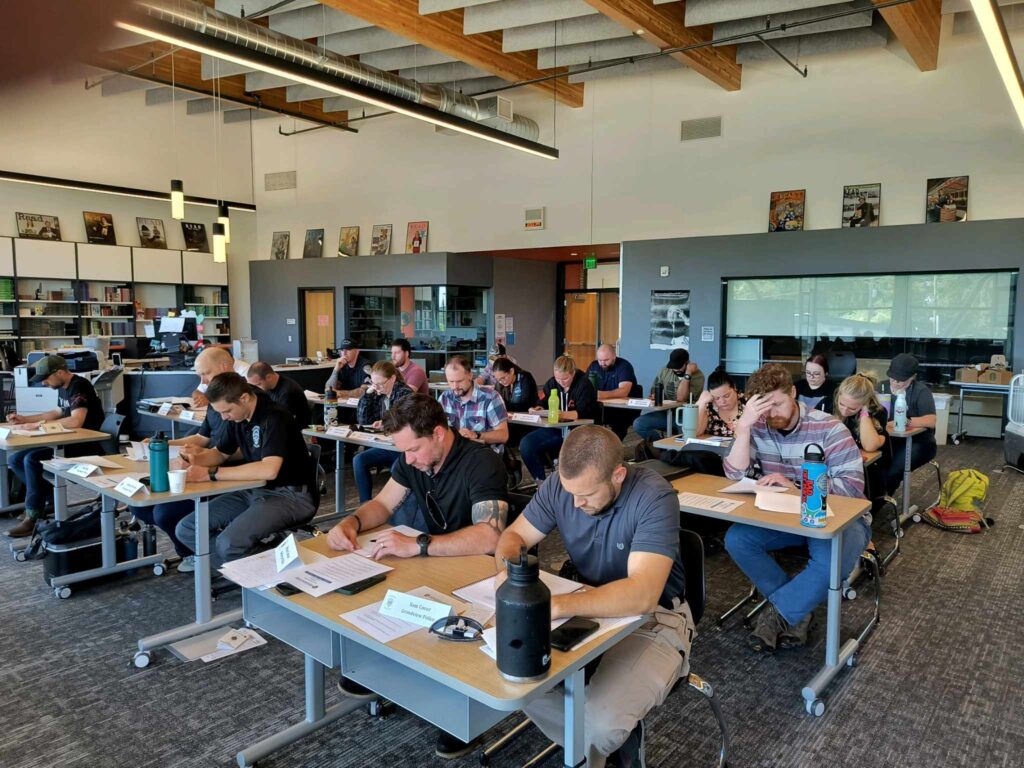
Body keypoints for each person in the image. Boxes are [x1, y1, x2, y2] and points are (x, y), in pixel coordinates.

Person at [495, 426, 692, 768]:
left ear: (617, 475)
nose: (575, 503)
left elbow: (642, 594)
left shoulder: (654, 496)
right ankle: (607, 746)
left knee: (602, 725)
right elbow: (514, 537)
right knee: (509, 678)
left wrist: (556, 606)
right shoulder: (563, 485)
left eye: (585, 494)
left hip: (655, 617)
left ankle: (600, 743)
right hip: (584, 602)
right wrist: (509, 575)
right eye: (570, 492)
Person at [326, 393, 509, 759]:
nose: (407, 459)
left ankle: (461, 713)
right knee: (384, 589)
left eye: (413, 450)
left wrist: (421, 545)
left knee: (444, 620)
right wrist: (351, 521)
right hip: (436, 556)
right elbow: (383, 503)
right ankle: (382, 673)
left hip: (479, 569)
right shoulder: (414, 460)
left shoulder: (481, 463)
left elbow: (490, 535)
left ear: (439, 434)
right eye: (403, 452)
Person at [722, 363, 869, 652]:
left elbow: (852, 489)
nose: (771, 413)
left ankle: (778, 615)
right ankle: (798, 609)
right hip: (785, 517)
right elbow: (734, 474)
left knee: (829, 561)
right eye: (763, 408)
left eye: (777, 403)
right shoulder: (760, 426)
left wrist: (799, 488)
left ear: (793, 393)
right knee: (737, 540)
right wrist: (744, 427)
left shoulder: (829, 428)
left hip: (840, 518)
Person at [175, 373, 316, 569]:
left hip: (291, 495)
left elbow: (269, 470)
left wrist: (211, 473)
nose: (224, 417)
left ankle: (281, 567)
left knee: (228, 543)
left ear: (244, 398)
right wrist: (196, 458)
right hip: (257, 489)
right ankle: (238, 570)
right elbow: (220, 453)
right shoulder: (236, 419)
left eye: (227, 411)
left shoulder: (275, 417)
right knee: (187, 529)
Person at [139, 346, 240, 570]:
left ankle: (199, 554)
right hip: (204, 464)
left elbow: (238, 451)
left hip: (225, 472)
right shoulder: (214, 398)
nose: (202, 381)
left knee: (164, 512)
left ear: (224, 367)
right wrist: (164, 444)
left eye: (205, 374)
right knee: (142, 504)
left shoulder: (239, 400)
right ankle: (190, 551)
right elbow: (202, 437)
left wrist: (203, 458)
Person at [5, 355, 104, 538]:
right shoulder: (64, 387)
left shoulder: (79, 386)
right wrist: (25, 419)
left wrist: (36, 426)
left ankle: (33, 515)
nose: (43, 384)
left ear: (59, 372)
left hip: (84, 445)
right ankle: (48, 500)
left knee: (30, 459)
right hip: (67, 442)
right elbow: (56, 412)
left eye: (45, 379)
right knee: (15, 459)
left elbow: (76, 420)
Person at [519, 356, 598, 483]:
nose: (561, 382)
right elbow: (543, 401)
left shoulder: (584, 385)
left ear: (573, 373)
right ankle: (540, 482)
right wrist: (538, 408)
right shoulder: (552, 383)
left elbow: (585, 412)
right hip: (554, 428)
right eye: (558, 378)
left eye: (565, 378)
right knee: (526, 444)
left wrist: (562, 414)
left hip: (577, 430)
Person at [351, 361, 414, 503]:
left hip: (403, 449)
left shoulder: (405, 393)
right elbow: (363, 420)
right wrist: (368, 394)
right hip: (387, 445)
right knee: (359, 460)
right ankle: (365, 504)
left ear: (392, 378)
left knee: (396, 469)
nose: (377, 387)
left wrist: (386, 423)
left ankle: (393, 508)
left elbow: (405, 422)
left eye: (380, 384)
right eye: (374, 383)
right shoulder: (379, 392)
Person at [880, 353, 937, 495]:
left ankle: (881, 500)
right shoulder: (881, 387)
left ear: (913, 377)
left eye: (901, 380)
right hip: (888, 439)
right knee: (874, 467)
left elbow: (931, 420)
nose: (896, 382)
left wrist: (905, 421)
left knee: (894, 470)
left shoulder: (921, 391)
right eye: (893, 378)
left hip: (919, 441)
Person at [834, 373, 889, 504]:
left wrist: (864, 413)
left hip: (864, 473)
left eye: (852, 408)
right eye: (841, 404)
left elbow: (870, 446)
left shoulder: (877, 412)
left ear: (865, 402)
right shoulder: (827, 404)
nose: (844, 410)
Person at [439, 355, 509, 453]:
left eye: (459, 381)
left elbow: (503, 435)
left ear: (470, 376)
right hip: (456, 452)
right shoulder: (445, 398)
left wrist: (476, 435)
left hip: (483, 453)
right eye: (451, 381)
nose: (455, 386)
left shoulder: (490, 398)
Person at [632, 348, 704, 441]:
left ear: (687, 363)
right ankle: (660, 448)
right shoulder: (665, 370)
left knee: (684, 437)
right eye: (673, 366)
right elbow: (655, 387)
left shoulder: (698, 376)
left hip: (685, 414)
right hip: (666, 412)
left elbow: (681, 398)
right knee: (639, 424)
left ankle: (680, 454)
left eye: (679, 366)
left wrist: (688, 373)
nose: (676, 369)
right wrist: (654, 394)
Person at [246, 361, 311, 427]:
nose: (255, 389)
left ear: (269, 377)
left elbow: (281, 420)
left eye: (258, 385)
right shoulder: (268, 387)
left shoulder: (288, 392)